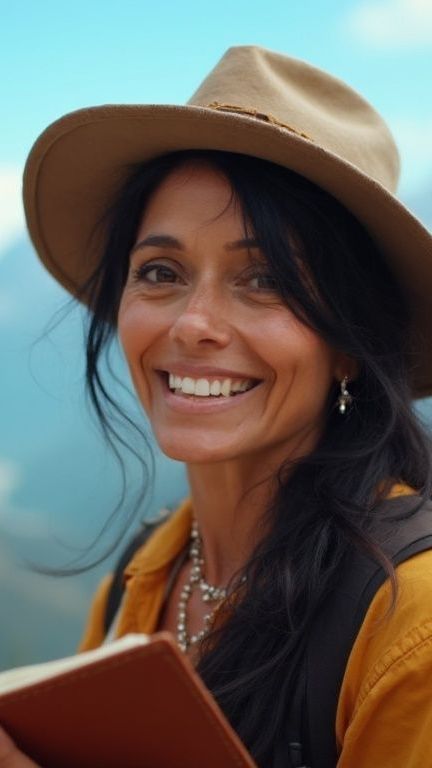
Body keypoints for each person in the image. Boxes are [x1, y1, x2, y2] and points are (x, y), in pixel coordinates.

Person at [2, 45, 432, 767]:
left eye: (264, 279)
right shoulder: (147, 572)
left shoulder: (410, 627)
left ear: (351, 343)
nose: (192, 324)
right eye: (161, 272)